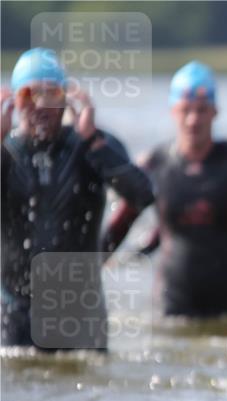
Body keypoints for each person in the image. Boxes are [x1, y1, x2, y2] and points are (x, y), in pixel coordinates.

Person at [104, 61, 227, 318]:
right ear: (173, 111)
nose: (193, 119)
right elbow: (120, 226)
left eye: (201, 110)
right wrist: (87, 269)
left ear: (215, 112)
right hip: (172, 301)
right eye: (186, 110)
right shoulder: (154, 165)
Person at [1, 48, 154, 348]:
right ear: (14, 103)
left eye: (51, 94)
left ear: (68, 99)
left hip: (80, 310)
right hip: (14, 309)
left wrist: (93, 140)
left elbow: (143, 195)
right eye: (29, 96)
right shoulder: (6, 152)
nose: (40, 106)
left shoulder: (91, 145)